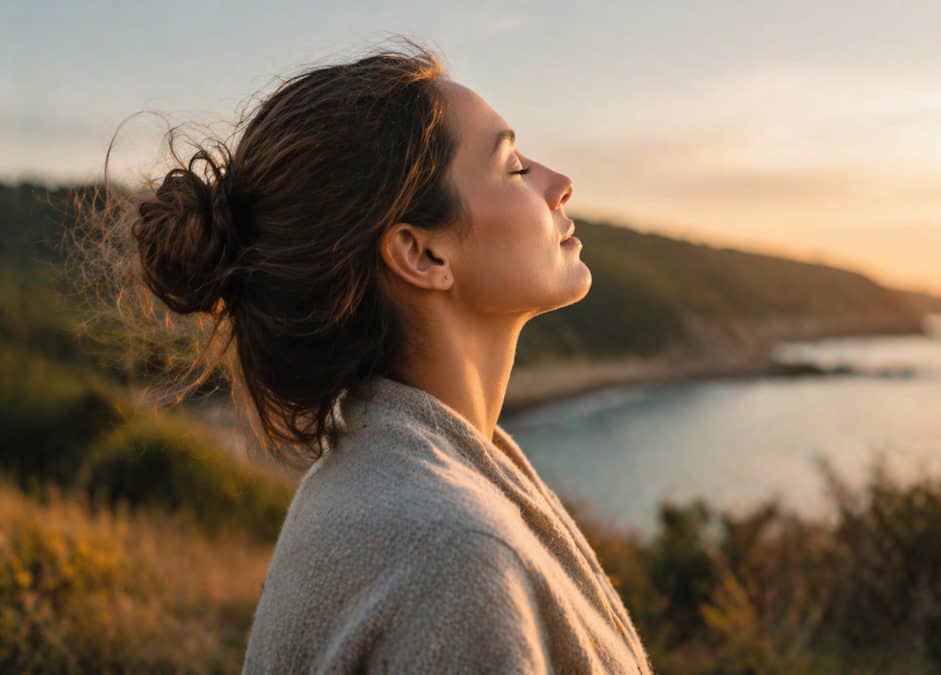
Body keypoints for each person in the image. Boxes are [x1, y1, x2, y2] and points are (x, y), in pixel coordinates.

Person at [97, 37, 653, 673]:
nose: (560, 183)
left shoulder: (384, 487)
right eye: (515, 169)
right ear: (422, 254)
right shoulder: (452, 558)